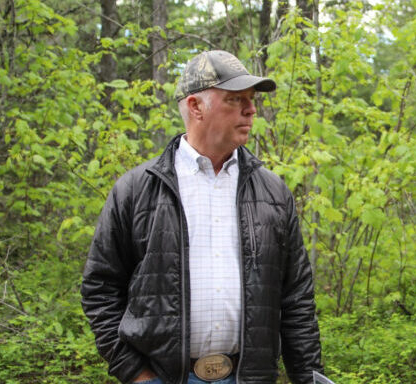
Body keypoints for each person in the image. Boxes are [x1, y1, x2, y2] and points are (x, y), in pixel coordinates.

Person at [81, 50, 322, 384]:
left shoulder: (273, 193)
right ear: (196, 107)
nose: (251, 110)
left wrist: (309, 378)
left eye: (251, 100)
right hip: (164, 378)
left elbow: (296, 299)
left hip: (248, 377)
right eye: (236, 99)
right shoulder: (136, 190)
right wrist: (137, 375)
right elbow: (100, 289)